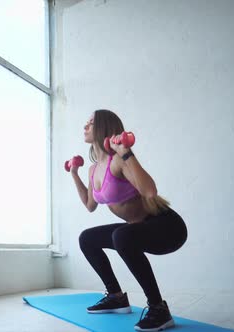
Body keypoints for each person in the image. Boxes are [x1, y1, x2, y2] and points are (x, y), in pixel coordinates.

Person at [68, 109, 188, 332]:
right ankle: (115, 296)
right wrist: (75, 173)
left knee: (121, 235)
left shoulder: (118, 160)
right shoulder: (94, 169)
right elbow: (89, 205)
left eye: (91, 123)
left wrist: (126, 153)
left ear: (104, 127)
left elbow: (150, 191)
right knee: (87, 239)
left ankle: (158, 308)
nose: (85, 126)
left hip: (167, 227)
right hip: (137, 229)